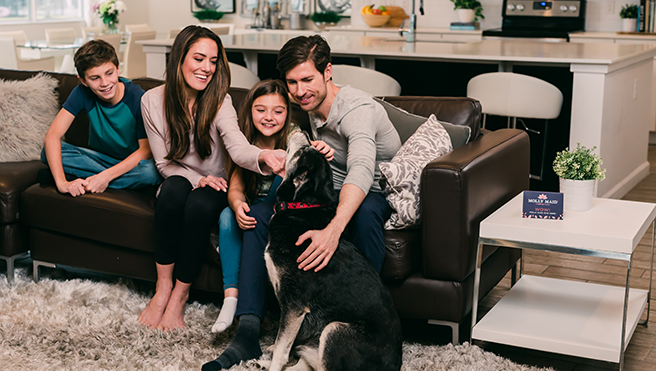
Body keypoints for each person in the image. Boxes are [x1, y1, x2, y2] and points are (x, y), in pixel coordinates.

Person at [201, 34, 400, 371]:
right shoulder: (302, 109)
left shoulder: (357, 110)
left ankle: (357, 312)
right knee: (261, 214)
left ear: (328, 72)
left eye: (307, 79)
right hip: (327, 194)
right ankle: (248, 330)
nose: (299, 90)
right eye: (292, 82)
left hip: (374, 192)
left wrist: (333, 229)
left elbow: (361, 170)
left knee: (364, 213)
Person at [138, 26, 286, 332]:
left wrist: (262, 157)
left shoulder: (221, 101)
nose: (207, 68)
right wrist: (195, 178)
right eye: (199, 58)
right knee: (173, 191)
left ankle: (180, 295)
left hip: (218, 185)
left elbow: (238, 146)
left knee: (201, 202)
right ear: (180, 58)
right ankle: (162, 287)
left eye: (213, 60)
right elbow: (164, 162)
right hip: (178, 177)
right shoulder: (151, 101)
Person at [211, 78, 334, 333]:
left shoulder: (293, 138)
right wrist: (237, 205)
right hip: (252, 206)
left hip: (279, 209)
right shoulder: (243, 142)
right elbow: (235, 187)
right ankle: (230, 297)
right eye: (261, 110)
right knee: (226, 215)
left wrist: (316, 151)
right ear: (250, 111)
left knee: (279, 189)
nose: (269, 117)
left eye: (278, 111)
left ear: (287, 114)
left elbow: (305, 174)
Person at [42, 39, 161, 197]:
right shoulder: (81, 93)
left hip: (131, 164)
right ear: (83, 81)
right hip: (98, 159)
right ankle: (116, 183)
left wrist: (105, 176)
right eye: (95, 78)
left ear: (118, 68)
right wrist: (62, 183)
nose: (105, 83)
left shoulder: (138, 97)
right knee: (48, 152)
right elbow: (52, 136)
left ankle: (92, 179)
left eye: (109, 73)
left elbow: (145, 151)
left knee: (150, 172)